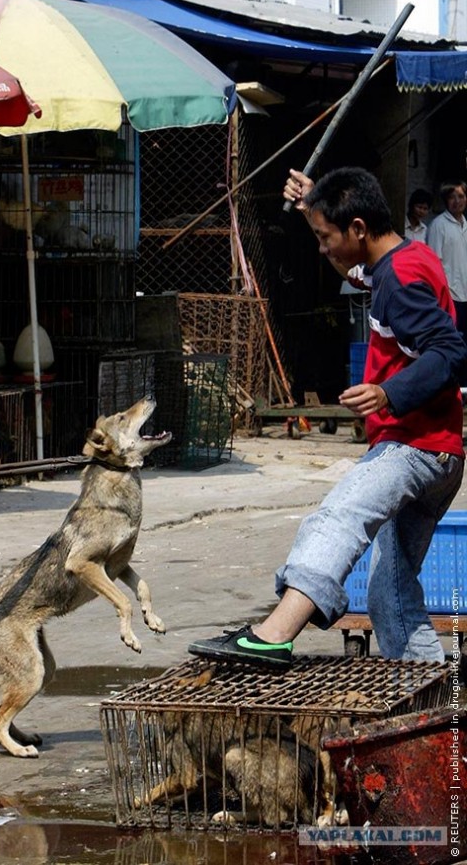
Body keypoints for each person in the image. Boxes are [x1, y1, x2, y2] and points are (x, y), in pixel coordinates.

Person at [189, 166, 467, 667]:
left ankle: (274, 634)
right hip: (440, 454)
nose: (322, 249)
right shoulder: (402, 259)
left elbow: (449, 352)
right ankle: (435, 697)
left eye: (325, 237)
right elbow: (355, 270)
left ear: (358, 228)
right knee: (391, 592)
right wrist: (310, 206)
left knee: (338, 517)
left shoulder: (401, 280)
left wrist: (388, 393)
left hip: (414, 448)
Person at [426, 179, 467, 342]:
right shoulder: (438, 225)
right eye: (452, 197)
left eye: (461, 196)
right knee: (452, 341)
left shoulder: (465, 225)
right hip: (450, 296)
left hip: (465, 293)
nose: (457, 201)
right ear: (445, 201)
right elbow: (433, 263)